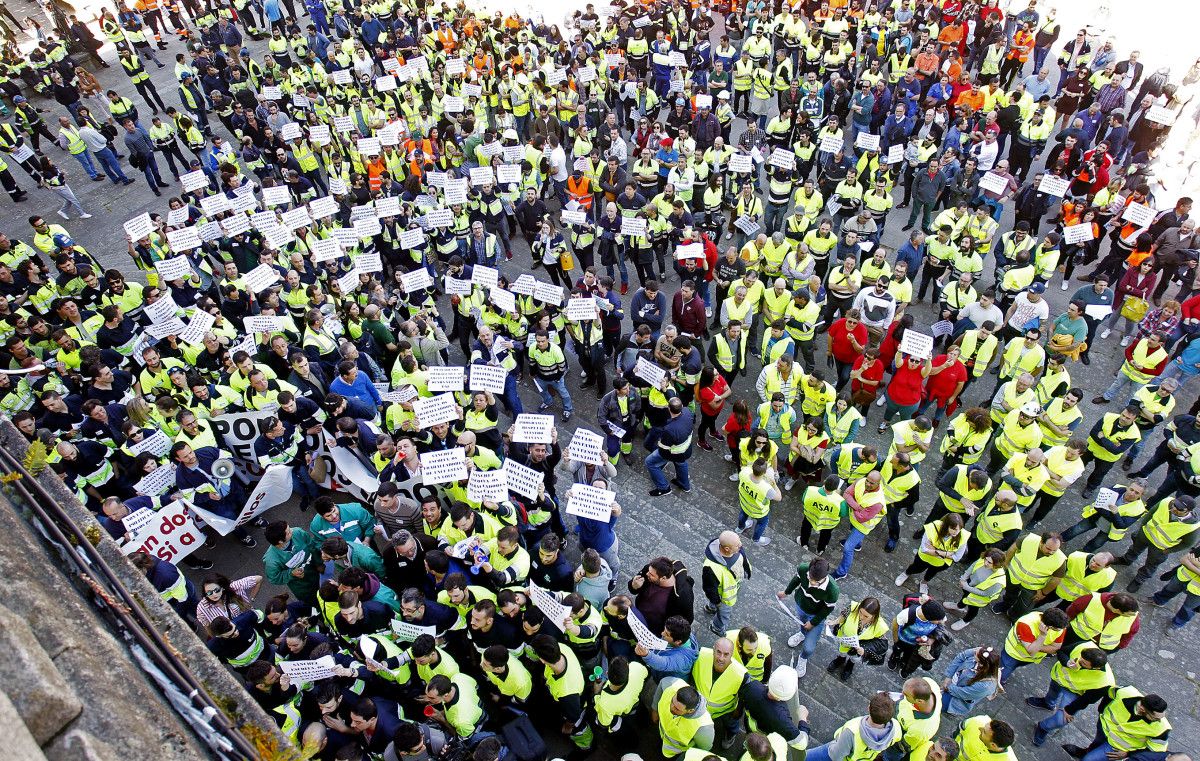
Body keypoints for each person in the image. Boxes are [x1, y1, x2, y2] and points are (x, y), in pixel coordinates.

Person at [777, 559, 839, 678]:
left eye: (817, 581)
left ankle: (803, 658)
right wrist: (786, 592)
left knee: (809, 648)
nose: (812, 583)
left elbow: (827, 609)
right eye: (810, 578)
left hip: (816, 615)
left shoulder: (832, 590)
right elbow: (797, 579)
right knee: (802, 623)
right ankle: (802, 633)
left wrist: (813, 622)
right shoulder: (803, 568)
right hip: (801, 604)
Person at [803, 693, 901, 761]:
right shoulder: (896, 728)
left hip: (838, 750)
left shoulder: (852, 730)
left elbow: (835, 756)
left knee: (802, 757)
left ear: (868, 707)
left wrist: (833, 745)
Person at [701, 531, 752, 635]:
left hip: (729, 588)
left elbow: (743, 558)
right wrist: (718, 602)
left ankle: (711, 607)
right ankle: (717, 627)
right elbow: (709, 589)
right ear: (727, 549)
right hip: (724, 597)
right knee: (724, 614)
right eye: (738, 544)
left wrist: (747, 572)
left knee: (715, 601)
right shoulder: (710, 568)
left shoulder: (735, 548)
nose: (741, 545)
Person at [646, 396, 695, 497]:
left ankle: (664, 488)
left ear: (669, 408)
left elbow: (664, 447)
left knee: (650, 462)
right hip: (686, 450)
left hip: (673, 453)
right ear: (681, 406)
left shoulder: (670, 429)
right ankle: (684, 485)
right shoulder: (687, 412)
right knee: (681, 463)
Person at [941, 646, 1002, 717]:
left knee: (937, 704)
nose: (974, 650)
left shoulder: (986, 686)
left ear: (981, 664)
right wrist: (948, 677)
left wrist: (947, 687)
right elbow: (961, 656)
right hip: (952, 686)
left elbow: (964, 693)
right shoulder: (979, 655)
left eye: (975, 653)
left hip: (954, 700)